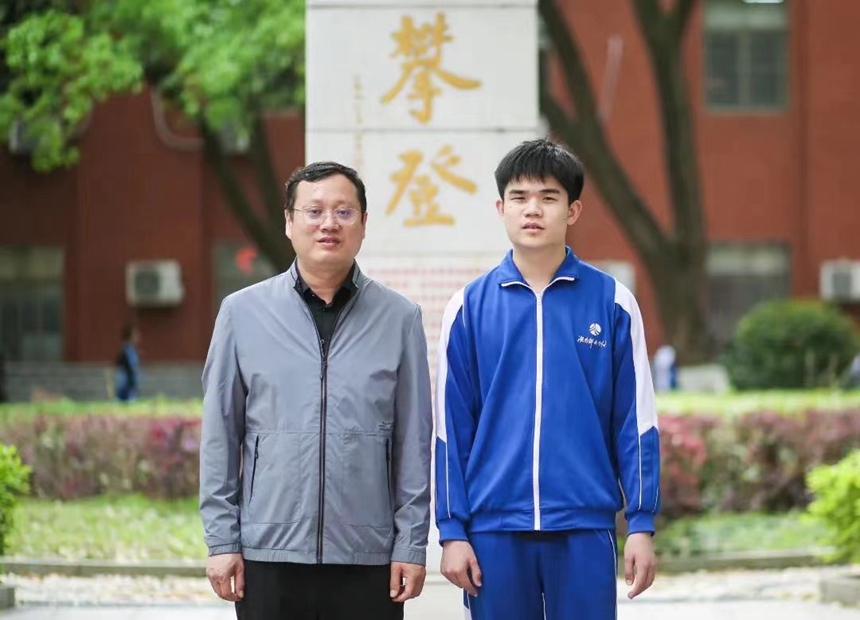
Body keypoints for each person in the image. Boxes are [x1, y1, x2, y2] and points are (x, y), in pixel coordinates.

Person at [435, 139, 660, 619]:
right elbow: (450, 430)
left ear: (573, 210)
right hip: (494, 531)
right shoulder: (469, 308)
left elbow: (635, 422)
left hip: (583, 526)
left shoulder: (612, 303)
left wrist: (641, 523)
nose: (532, 209)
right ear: (501, 208)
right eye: (519, 197)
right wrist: (452, 531)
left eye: (548, 197)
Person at [200, 161, 433, 620]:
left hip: (368, 557)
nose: (329, 223)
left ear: (363, 224)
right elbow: (219, 436)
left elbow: (413, 443)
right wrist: (222, 541)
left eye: (344, 212)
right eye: (314, 211)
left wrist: (411, 543)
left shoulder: (400, 318)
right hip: (268, 552)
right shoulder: (242, 314)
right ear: (289, 222)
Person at [115, 323, 141, 402]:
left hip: (130, 381)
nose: (138, 336)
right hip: (126, 382)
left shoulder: (133, 350)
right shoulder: (126, 350)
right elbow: (125, 367)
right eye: (135, 334)